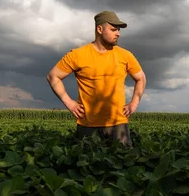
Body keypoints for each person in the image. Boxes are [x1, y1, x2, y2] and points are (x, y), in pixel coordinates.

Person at [46, 10, 146, 146]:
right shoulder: (77, 55)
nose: (118, 33)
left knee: (123, 163)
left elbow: (141, 78)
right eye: (113, 29)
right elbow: (53, 76)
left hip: (119, 124)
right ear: (99, 29)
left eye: (118, 30)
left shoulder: (125, 55)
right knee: (88, 164)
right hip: (87, 125)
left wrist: (134, 103)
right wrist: (69, 102)